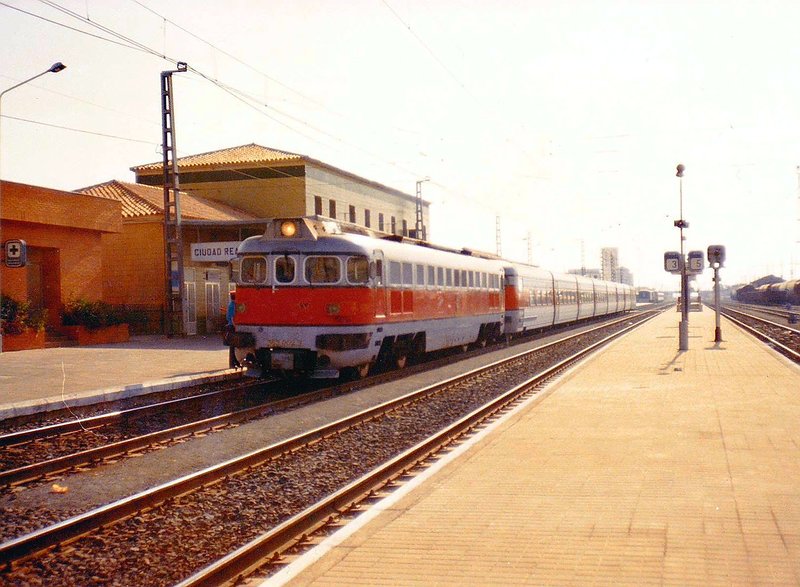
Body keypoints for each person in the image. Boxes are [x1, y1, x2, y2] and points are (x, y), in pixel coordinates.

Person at [225, 292, 240, 368]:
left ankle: (235, 363)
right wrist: (236, 326)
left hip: (231, 326)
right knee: (233, 346)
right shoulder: (232, 305)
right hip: (232, 326)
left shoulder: (231, 304)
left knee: (233, 346)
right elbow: (231, 317)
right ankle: (232, 363)